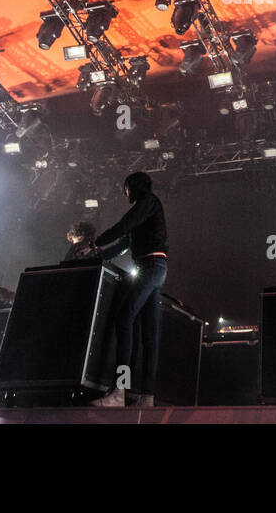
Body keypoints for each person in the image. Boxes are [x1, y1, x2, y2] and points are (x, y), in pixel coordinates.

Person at [91, 171, 167, 407]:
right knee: (149, 334)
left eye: (125, 188)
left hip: (150, 267)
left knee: (124, 319)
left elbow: (123, 227)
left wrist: (96, 242)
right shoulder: (146, 211)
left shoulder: (148, 203)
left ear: (133, 186)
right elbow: (124, 244)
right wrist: (97, 254)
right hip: (155, 267)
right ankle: (147, 396)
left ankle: (119, 392)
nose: (124, 193)